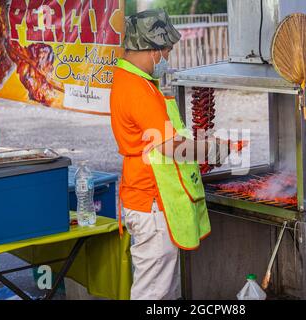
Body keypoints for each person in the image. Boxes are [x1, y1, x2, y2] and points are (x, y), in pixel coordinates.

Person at [110, 9, 232, 300]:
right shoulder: (139, 89)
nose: (167, 58)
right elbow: (168, 146)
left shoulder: (128, 80)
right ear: (152, 49)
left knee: (163, 289)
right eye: (167, 50)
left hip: (144, 195)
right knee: (153, 291)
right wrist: (212, 149)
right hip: (151, 200)